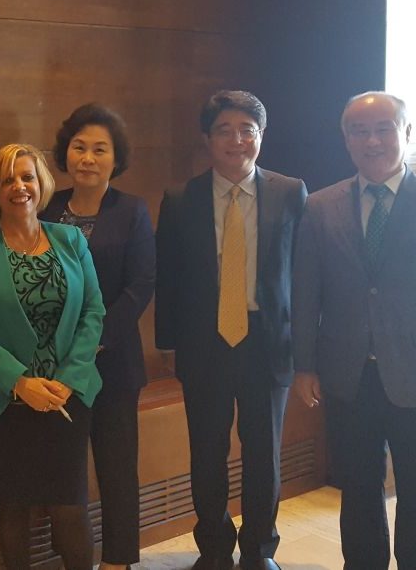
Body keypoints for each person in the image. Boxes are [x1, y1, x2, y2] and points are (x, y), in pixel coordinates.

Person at [155, 90, 307, 570]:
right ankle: (215, 549)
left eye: (247, 130)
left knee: (264, 453)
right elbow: (168, 277)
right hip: (205, 343)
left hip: (268, 341)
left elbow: (304, 273)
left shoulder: (290, 192)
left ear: (261, 135)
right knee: (207, 452)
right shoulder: (180, 199)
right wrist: (167, 344)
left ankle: (260, 549)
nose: (237, 140)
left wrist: (305, 345)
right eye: (224, 130)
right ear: (207, 138)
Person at [0, 143, 104, 570]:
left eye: (27, 177)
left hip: (65, 398)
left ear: (42, 183)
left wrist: (68, 379)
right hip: (3, 402)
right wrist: (19, 382)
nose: (19, 186)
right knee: (12, 507)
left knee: (69, 507)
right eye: (8, 180)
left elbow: (93, 311)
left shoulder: (70, 239)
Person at [292, 91, 416, 570]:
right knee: (359, 486)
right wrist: (305, 364)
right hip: (348, 374)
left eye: (384, 129)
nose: (372, 141)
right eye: (359, 131)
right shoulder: (320, 206)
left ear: (407, 133)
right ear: (346, 139)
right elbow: (306, 292)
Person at [41, 103, 155, 570]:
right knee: (62, 469)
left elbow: (141, 285)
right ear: (65, 153)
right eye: (79, 147)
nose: (87, 158)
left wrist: (94, 340)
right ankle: (72, 556)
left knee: (116, 467)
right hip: (53, 364)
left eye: (99, 149)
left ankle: (118, 560)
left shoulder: (132, 211)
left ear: (115, 158)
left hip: (113, 363)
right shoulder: (46, 208)